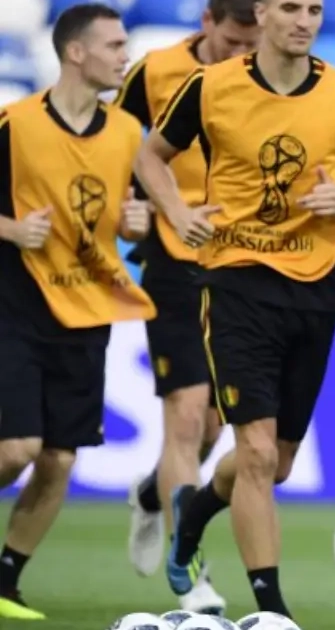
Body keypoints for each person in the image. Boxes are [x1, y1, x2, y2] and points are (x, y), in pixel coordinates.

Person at [133, 0, 335, 617]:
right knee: (253, 450)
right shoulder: (212, 86)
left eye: (315, 9)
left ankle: (193, 515)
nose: (304, 21)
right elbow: (149, 156)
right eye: (290, 8)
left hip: (316, 286)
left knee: (277, 463)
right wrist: (177, 212)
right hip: (235, 281)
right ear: (263, 13)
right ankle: (271, 610)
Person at [0, 3, 156, 620]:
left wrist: (135, 221)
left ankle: (5, 582)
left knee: (59, 457)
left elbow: (122, 213)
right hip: (15, 305)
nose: (125, 55)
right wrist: (12, 230)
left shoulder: (126, 132)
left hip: (87, 310)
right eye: (114, 45)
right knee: (17, 448)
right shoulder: (15, 124)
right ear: (75, 51)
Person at [116, 0, 259, 612]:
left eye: (250, 46)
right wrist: (132, 209)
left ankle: (154, 493)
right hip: (174, 258)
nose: (240, 57)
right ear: (206, 23)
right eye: (231, 43)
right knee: (186, 414)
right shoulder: (154, 71)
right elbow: (114, 145)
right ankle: (192, 573)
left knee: (213, 427)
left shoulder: (268, 77)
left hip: (240, 259)